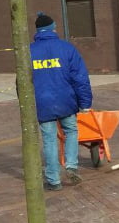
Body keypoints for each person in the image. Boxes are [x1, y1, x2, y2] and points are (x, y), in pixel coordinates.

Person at [30, 12, 93, 191]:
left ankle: (53, 179)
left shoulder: (29, 51)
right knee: (71, 131)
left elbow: (22, 82)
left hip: (43, 103)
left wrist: (26, 106)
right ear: (53, 29)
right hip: (66, 100)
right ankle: (71, 165)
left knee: (49, 140)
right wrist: (85, 102)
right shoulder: (67, 48)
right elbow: (80, 78)